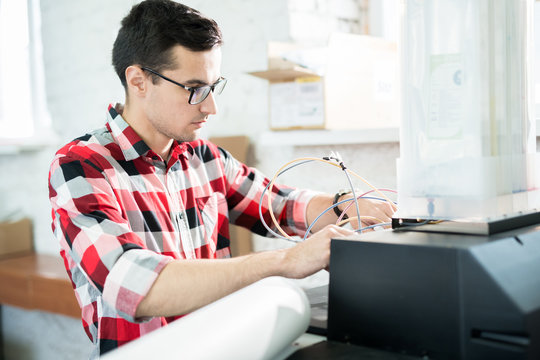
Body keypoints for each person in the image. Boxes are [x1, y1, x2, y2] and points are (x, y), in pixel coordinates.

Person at [48, 0, 395, 357]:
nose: (211, 107)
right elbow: (134, 284)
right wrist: (284, 261)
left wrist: (346, 207)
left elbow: (280, 204)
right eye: (195, 88)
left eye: (215, 86)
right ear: (139, 81)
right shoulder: (81, 167)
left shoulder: (205, 158)